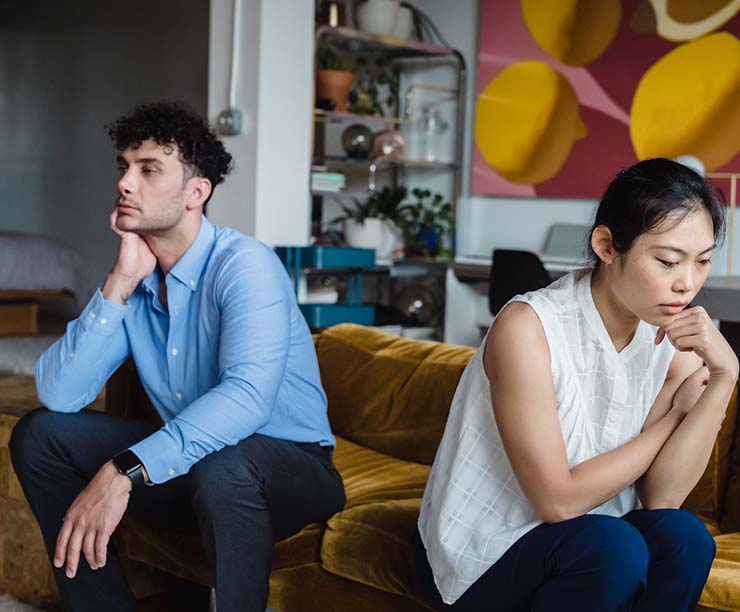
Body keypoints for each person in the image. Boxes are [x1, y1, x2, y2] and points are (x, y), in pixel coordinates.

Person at [9, 101, 345, 612]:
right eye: (124, 167)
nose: (125, 183)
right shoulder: (138, 278)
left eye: (148, 170)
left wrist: (125, 469)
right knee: (40, 435)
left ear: (196, 192)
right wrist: (120, 283)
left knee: (225, 464)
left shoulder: (245, 265)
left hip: (291, 471)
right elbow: (59, 393)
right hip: (197, 467)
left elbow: (247, 399)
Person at [414, 158, 738, 612]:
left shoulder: (671, 336)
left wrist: (724, 378)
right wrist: (673, 420)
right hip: (483, 550)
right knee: (613, 547)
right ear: (607, 245)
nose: (686, 283)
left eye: (702, 261)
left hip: (593, 540)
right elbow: (557, 502)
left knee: (685, 538)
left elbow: (662, 497)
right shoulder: (528, 327)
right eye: (667, 261)